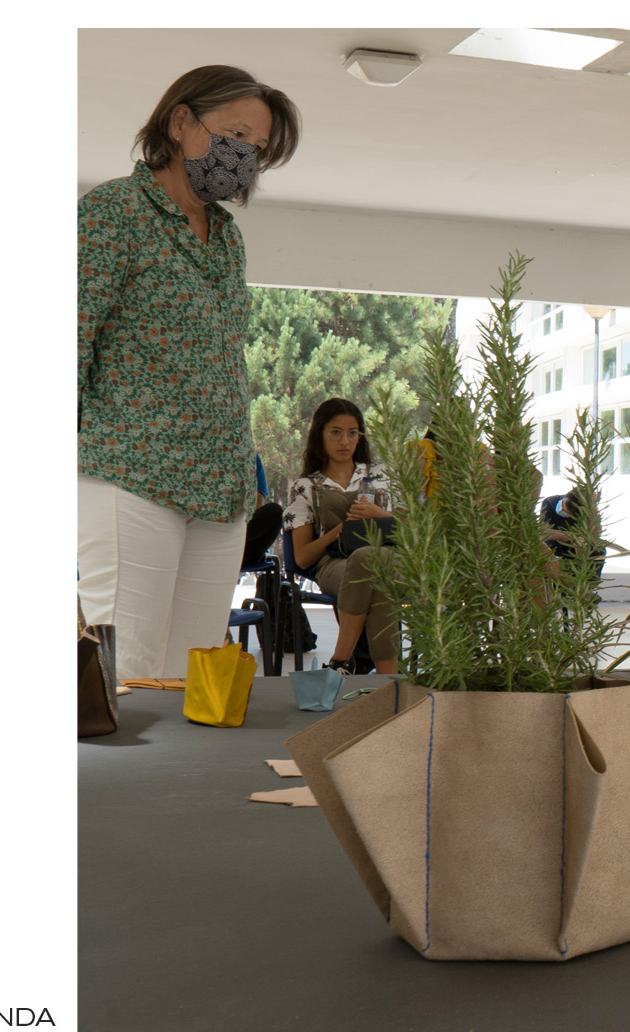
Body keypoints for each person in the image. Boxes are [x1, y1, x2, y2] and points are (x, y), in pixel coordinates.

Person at [78, 65, 301, 680]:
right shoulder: (113, 212)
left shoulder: (227, 237)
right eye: (235, 135)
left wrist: (243, 471)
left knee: (189, 677)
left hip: (221, 491)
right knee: (124, 670)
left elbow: (223, 360)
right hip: (133, 473)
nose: (244, 156)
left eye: (257, 148)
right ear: (181, 121)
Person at [284, 399, 401, 675]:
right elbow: (303, 558)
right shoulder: (305, 486)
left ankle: (341, 661)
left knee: (373, 561)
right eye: (335, 432)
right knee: (373, 570)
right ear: (319, 435)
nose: (345, 441)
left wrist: (378, 514)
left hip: (390, 557)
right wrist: (340, 531)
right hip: (334, 564)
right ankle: (390, 678)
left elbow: (414, 529)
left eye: (352, 433)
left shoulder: (381, 475)